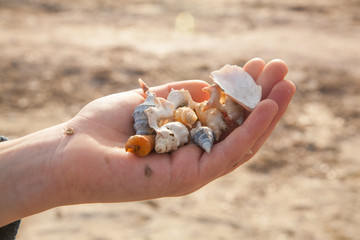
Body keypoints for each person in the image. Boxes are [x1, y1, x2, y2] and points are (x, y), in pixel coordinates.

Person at [0, 58, 295, 230]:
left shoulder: (204, 115)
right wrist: (57, 157)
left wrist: (54, 157)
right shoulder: (190, 118)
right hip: (168, 128)